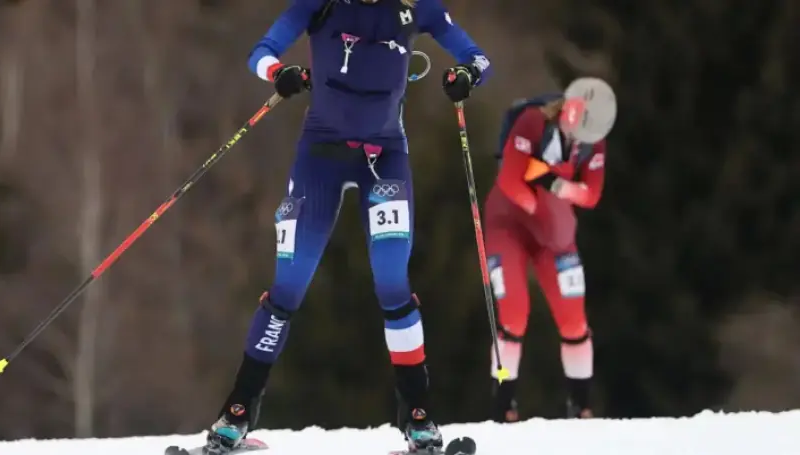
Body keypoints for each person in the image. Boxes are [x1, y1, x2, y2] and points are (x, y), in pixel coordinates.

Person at [204, 1, 491, 453]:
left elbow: (478, 58)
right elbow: (261, 51)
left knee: (392, 280)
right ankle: (237, 412)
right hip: (321, 155)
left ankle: (419, 418)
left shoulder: (417, 7)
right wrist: (278, 72)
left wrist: (466, 77)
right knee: (289, 284)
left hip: (385, 157)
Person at [483, 78, 616, 422]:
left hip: (554, 235)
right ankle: (503, 404)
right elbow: (510, 181)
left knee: (574, 321)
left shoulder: (593, 145)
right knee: (513, 316)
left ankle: (580, 405)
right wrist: (541, 202)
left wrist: (555, 187)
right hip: (508, 226)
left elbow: (591, 194)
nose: (580, 141)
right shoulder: (533, 122)